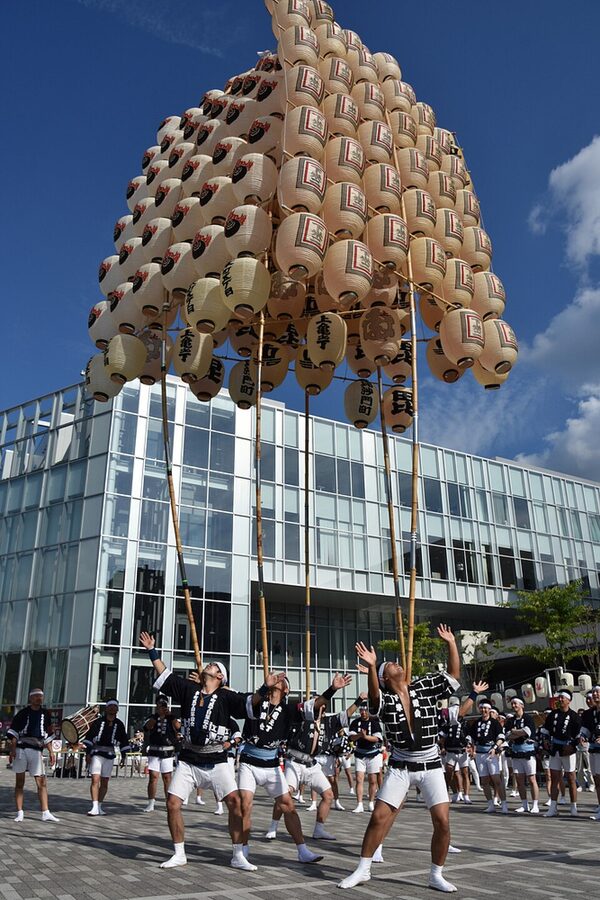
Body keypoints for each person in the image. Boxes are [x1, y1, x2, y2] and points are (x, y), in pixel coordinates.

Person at [339, 624, 461, 894]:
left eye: (394, 662)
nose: (395, 664)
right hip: (401, 765)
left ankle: (436, 874)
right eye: (388, 665)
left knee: (442, 821)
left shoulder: (424, 686)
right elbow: (373, 698)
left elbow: (453, 677)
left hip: (431, 763)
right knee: (379, 817)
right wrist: (371, 667)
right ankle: (363, 869)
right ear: (384, 678)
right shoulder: (385, 702)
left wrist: (451, 643)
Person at [140, 631, 258, 870]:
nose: (209, 665)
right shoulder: (188, 689)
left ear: (219, 677)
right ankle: (179, 853)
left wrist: (266, 687)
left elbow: (249, 702)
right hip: (188, 758)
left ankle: (237, 855)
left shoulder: (226, 696)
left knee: (235, 803)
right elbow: (165, 675)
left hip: (217, 759)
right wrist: (152, 650)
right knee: (172, 803)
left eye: (214, 665)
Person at [238, 671, 324, 865]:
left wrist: (333, 688)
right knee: (245, 805)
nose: (277, 680)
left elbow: (316, 705)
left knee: (288, 806)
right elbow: (246, 702)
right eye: (274, 678)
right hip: (249, 761)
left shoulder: (289, 710)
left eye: (281, 680)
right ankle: (243, 849)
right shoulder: (257, 702)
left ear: (286, 690)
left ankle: (302, 850)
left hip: (271, 765)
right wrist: (264, 686)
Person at [267, 672, 355, 842]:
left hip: (312, 764)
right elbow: (313, 705)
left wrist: (359, 700)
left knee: (328, 795)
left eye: (321, 704)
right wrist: (332, 689)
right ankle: (273, 826)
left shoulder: (329, 722)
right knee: (285, 795)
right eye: (316, 703)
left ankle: (319, 829)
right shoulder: (301, 716)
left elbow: (346, 715)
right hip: (294, 761)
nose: (319, 705)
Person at [8, 689, 59, 823]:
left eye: (41, 696)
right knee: (20, 782)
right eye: (36, 696)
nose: (39, 698)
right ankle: (20, 812)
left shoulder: (45, 714)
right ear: (30, 698)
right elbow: (14, 733)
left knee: (41, 782)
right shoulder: (23, 713)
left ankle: (45, 812)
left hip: (36, 750)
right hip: (21, 749)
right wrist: (12, 750)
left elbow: (47, 735)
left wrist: (52, 751)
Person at [83, 699, 130, 816]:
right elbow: (89, 737)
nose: (113, 708)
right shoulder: (98, 722)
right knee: (95, 779)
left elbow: (123, 740)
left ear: (117, 709)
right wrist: (88, 753)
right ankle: (94, 806)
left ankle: (99, 805)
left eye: (115, 706)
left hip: (109, 755)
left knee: (105, 781)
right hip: (97, 753)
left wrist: (124, 756)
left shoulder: (119, 724)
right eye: (110, 706)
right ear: (106, 708)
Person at [540, 690, 581, 818]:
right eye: (559, 698)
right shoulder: (553, 714)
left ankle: (573, 806)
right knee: (554, 777)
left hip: (568, 749)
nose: (560, 700)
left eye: (563, 698)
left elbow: (579, 735)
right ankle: (553, 807)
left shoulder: (574, 716)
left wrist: (572, 745)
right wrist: (546, 741)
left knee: (571, 778)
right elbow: (545, 730)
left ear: (569, 700)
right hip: (555, 748)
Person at [143, 696, 181, 812]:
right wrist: (156, 715)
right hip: (154, 750)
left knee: (167, 777)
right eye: (160, 705)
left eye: (163, 705)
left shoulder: (172, 718)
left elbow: (178, 727)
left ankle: (168, 802)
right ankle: (151, 802)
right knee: (153, 777)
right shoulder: (152, 717)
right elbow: (147, 727)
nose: (162, 707)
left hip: (168, 750)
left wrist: (170, 716)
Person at [469, 701, 507, 814]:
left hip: (491, 753)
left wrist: (495, 747)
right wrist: (471, 747)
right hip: (480, 753)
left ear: (489, 710)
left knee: (496, 779)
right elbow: (472, 738)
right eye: (481, 708)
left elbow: (501, 737)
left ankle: (504, 803)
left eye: (486, 708)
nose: (483, 710)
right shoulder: (476, 723)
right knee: (484, 780)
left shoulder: (495, 723)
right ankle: (490, 804)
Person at [504, 697, 539, 814]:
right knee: (519, 779)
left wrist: (516, 732)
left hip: (528, 751)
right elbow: (508, 735)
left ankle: (535, 804)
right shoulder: (510, 720)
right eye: (512, 704)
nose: (514, 706)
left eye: (516, 704)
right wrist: (518, 732)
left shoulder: (528, 718)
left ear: (522, 705)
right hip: (516, 751)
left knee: (532, 778)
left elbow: (527, 732)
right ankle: (524, 804)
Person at [349, 705, 383, 814]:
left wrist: (365, 737)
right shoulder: (355, 722)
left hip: (373, 754)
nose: (363, 712)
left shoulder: (374, 722)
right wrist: (360, 735)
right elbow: (351, 738)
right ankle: (359, 804)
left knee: (373, 780)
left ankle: (371, 802)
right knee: (359, 779)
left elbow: (377, 738)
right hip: (360, 753)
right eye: (361, 710)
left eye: (365, 710)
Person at [578, 684, 600, 820]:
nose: (596, 694)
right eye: (594, 692)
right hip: (593, 749)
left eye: (598, 692)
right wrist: (582, 736)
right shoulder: (588, 713)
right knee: (597, 780)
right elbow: (585, 728)